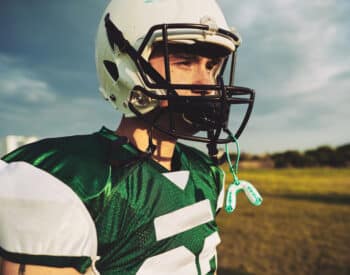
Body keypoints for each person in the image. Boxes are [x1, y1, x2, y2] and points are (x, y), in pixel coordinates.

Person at [0, 0, 256, 274]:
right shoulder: (69, 181)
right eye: (185, 62)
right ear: (123, 65)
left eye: (212, 67)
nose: (207, 84)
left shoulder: (206, 173)